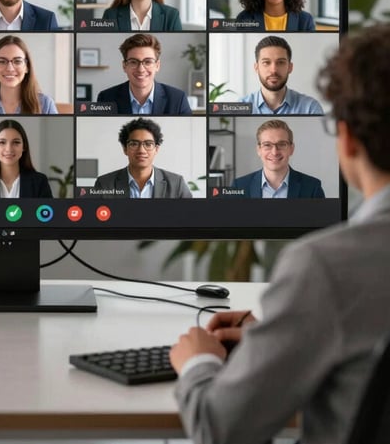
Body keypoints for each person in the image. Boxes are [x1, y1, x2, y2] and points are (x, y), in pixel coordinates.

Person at [170, 23, 390, 444]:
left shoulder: (327, 267)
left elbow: (221, 431)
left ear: (347, 140)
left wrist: (199, 363)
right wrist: (284, 334)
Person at [93, 118, 192, 198]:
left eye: (148, 144)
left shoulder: (176, 184)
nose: (141, 150)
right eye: (134, 144)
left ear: (156, 149)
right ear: (125, 149)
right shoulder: (104, 183)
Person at [96, 33, 191, 115]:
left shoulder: (178, 99)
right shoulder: (106, 98)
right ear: (124, 66)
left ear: (157, 65)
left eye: (148, 62)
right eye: (133, 62)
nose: (141, 69)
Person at [231, 119, 325, 198]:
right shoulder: (239, 186)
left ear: (291, 149)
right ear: (259, 150)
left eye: (282, 144)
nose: (275, 152)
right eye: (267, 145)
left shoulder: (312, 187)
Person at [0, 35, 58, 114]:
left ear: (27, 67)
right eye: (2, 61)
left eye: (17, 61)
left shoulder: (46, 105)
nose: (10, 68)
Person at [239, 35, 324, 114]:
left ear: (290, 67)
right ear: (256, 68)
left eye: (280, 62)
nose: (273, 70)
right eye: (266, 63)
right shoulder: (240, 107)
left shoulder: (310, 108)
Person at [0, 119, 53, 198]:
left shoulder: (39, 182)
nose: (9, 149)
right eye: (2, 142)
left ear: (24, 147)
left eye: (16, 142)